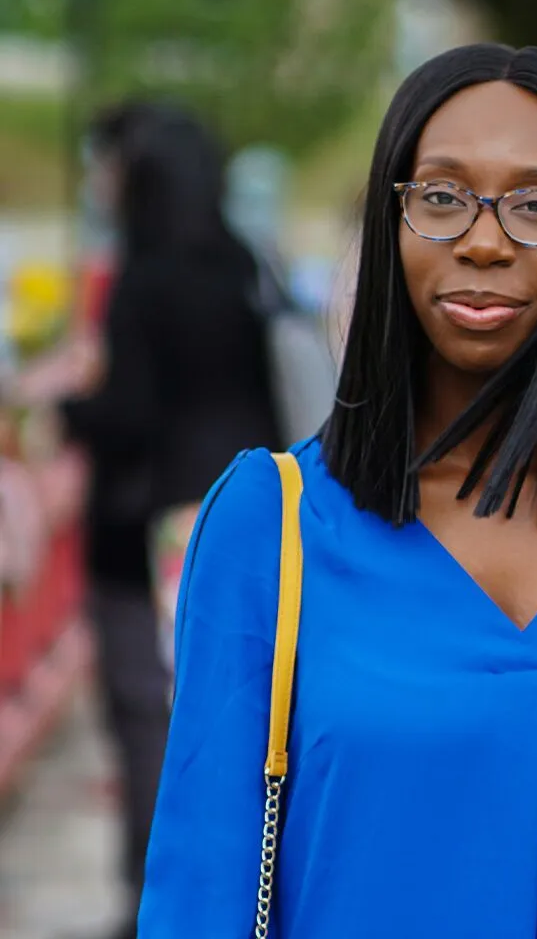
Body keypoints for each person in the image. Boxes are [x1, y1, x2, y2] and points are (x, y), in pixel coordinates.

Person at [139, 44, 537, 937]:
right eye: (442, 197)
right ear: (392, 221)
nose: (483, 241)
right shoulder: (270, 526)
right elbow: (197, 901)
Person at [59, 102, 279, 939]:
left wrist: (65, 413)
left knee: (149, 713)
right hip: (244, 515)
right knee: (235, 714)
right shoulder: (245, 266)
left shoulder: (142, 279)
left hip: (147, 524)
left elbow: (130, 415)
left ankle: (158, 906)